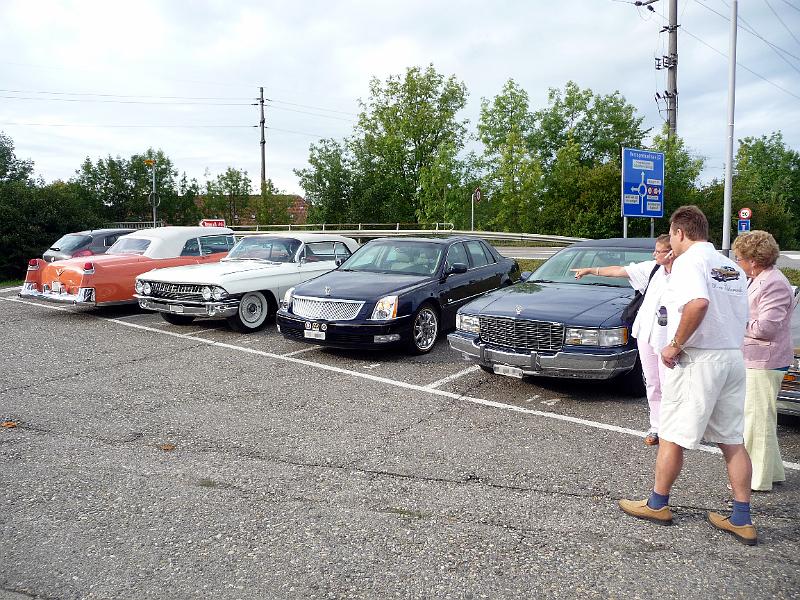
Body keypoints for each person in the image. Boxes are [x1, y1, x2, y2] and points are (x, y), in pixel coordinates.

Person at [618, 205, 757, 546]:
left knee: (671, 433)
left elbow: (697, 304)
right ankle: (741, 517)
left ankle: (657, 504)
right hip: (731, 358)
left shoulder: (688, 263)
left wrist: (674, 344)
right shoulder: (729, 265)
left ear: (679, 232)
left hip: (700, 360)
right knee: (732, 439)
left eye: (672, 236)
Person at [572, 234, 674, 446]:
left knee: (670, 384)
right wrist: (591, 270)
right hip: (647, 333)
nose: (654, 254)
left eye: (659, 251)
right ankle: (656, 426)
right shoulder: (652, 269)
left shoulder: (685, 274)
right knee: (653, 382)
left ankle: (673, 428)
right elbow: (620, 271)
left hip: (670, 337)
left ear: (672, 253)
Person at [731, 230, 793, 492]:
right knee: (759, 417)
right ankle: (773, 472)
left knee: (757, 420)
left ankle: (756, 479)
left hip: (765, 360)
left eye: (739, 258)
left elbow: (766, 328)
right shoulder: (759, 278)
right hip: (756, 358)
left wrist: (733, 321)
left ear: (753, 260)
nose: (737, 262)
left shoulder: (773, 283)